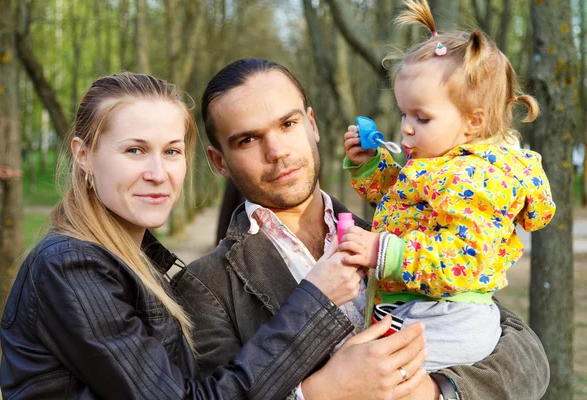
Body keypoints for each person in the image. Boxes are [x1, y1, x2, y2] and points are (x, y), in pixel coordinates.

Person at [0, 72, 426, 399]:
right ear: (84, 156)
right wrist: (320, 385)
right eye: (134, 150)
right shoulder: (70, 266)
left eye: (170, 151)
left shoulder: (136, 261)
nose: (157, 173)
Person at [177, 57, 551, 400]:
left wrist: (434, 393)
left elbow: (528, 357)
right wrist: (320, 392)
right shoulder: (204, 286)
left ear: (312, 124)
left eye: (288, 124)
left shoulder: (398, 233)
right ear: (219, 161)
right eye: (248, 139)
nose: (276, 150)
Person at [340, 0, 555, 372]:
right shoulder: (439, 163)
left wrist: (386, 252)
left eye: (421, 117)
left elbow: (462, 260)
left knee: (374, 378)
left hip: (448, 316)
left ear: (473, 121)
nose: (406, 127)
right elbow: (403, 202)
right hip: (422, 306)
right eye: (404, 113)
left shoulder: (479, 179)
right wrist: (370, 165)